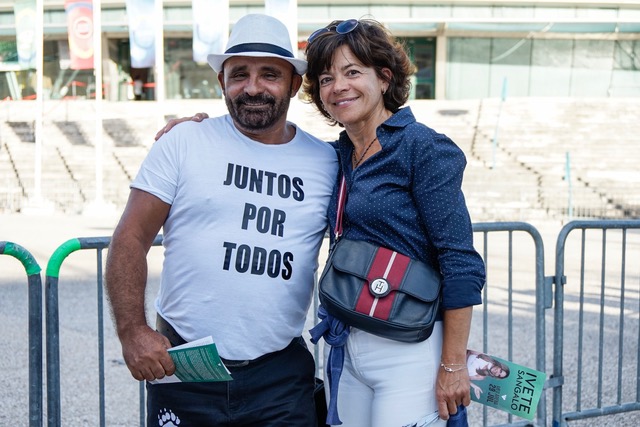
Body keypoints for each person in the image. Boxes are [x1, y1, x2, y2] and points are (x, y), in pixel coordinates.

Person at [157, 17, 486, 427]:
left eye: (352, 72)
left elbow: (461, 262)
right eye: (327, 78)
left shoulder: (424, 148)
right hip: (346, 344)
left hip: (409, 346)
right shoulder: (336, 156)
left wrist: (453, 365)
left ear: (384, 78)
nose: (338, 87)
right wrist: (199, 128)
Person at [104, 13, 337, 426]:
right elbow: (130, 238)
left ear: (294, 84)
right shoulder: (184, 142)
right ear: (221, 82)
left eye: (269, 74)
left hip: (279, 376)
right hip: (186, 370)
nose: (252, 88)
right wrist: (132, 331)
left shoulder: (326, 162)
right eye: (238, 74)